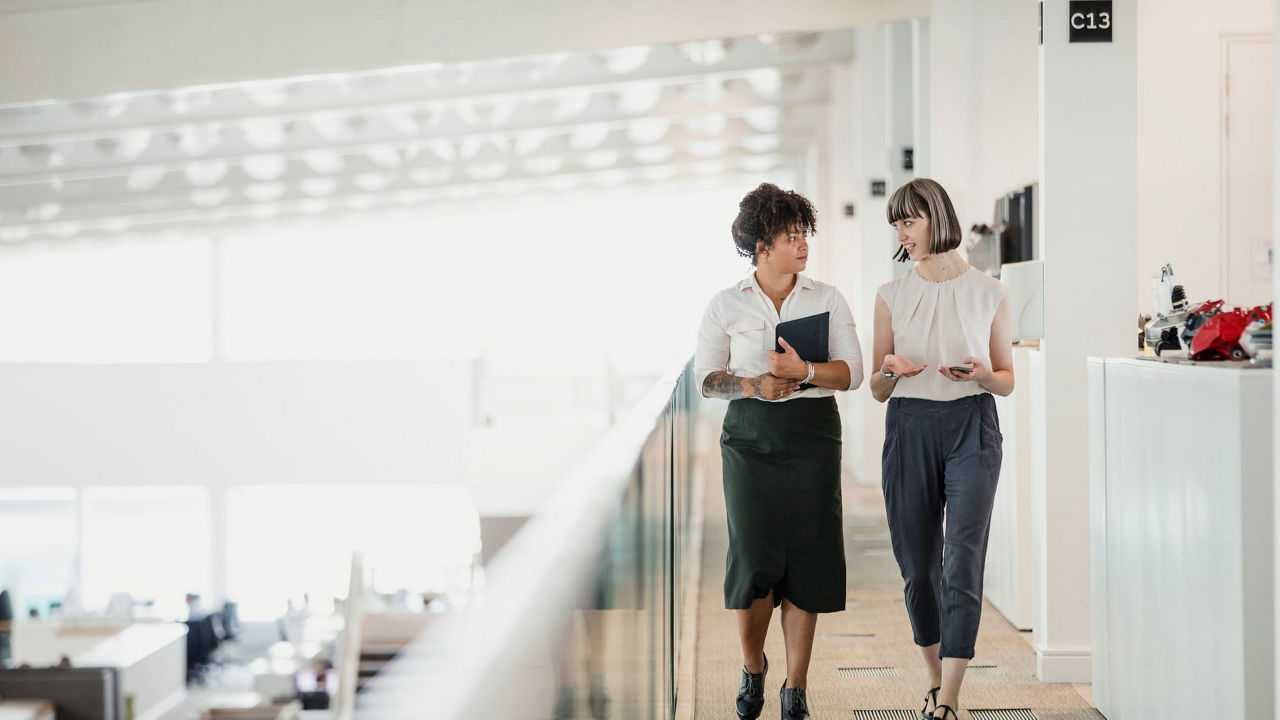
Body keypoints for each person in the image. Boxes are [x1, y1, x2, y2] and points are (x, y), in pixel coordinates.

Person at [694, 182, 864, 720]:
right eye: (791, 236)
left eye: (804, 234)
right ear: (761, 246)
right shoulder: (725, 304)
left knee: (809, 559)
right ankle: (753, 666)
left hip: (813, 436)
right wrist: (753, 385)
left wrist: (805, 372)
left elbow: (852, 372)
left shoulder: (827, 297)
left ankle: (795, 687)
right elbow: (706, 379)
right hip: (749, 439)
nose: (803, 245)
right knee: (753, 560)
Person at [868, 178, 1013, 720]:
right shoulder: (891, 294)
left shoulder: (990, 290)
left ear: (937, 217)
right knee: (919, 565)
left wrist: (982, 374)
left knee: (963, 560)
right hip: (909, 426)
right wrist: (888, 370)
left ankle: (950, 695)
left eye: (910, 221)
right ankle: (933, 676)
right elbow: (879, 389)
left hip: (972, 423)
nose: (903, 234)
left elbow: (1006, 379)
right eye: (897, 225)